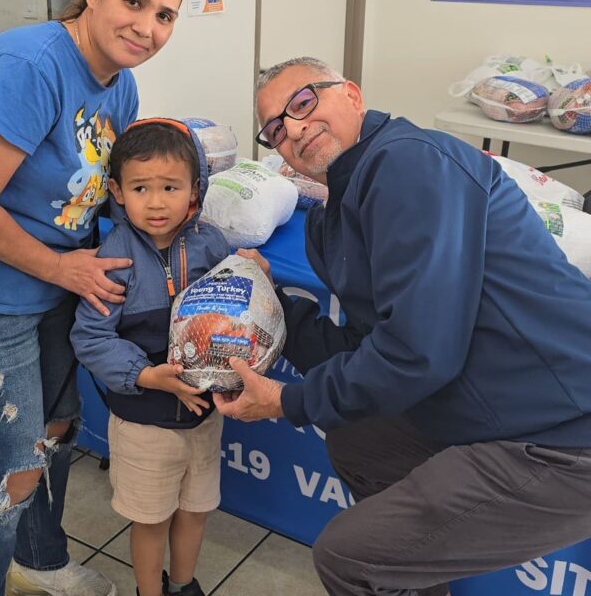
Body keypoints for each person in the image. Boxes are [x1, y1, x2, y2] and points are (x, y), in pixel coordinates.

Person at [215, 56, 591, 596]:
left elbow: (418, 351)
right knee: (358, 441)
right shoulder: (334, 217)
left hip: (564, 431)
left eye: (303, 103)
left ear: (352, 95)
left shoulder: (409, 162)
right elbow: (363, 346)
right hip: (485, 399)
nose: (292, 129)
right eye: (275, 129)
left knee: (348, 557)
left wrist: (285, 401)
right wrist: (266, 303)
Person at [0, 0, 186, 596]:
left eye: (165, 15)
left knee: (56, 432)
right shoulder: (28, 66)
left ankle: (38, 560)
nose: (146, 27)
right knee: (10, 474)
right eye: (133, 2)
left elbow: (104, 192)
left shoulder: (121, 86)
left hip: (53, 285)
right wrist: (65, 272)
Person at [71, 119, 231, 596]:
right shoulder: (112, 259)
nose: (157, 202)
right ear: (118, 192)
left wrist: (250, 273)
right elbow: (91, 338)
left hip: (203, 417)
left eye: (170, 187)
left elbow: (232, 310)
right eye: (141, 188)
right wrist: (145, 375)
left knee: (195, 510)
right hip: (143, 422)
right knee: (151, 520)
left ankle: (182, 584)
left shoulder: (212, 244)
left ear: (194, 190)